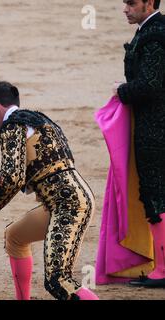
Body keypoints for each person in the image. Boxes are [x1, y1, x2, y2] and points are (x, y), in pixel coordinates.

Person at [0, 81, 99, 300]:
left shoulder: (12, 126)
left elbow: (14, 177)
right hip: (66, 201)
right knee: (15, 236)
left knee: (58, 281)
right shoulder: (35, 120)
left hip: (68, 207)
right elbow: (26, 165)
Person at [114, 0, 165, 288]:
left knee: (155, 194)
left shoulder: (155, 34)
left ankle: (162, 269)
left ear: (149, 2)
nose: (125, 8)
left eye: (131, 3)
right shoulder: (153, 29)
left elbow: (149, 85)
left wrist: (120, 91)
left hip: (155, 128)